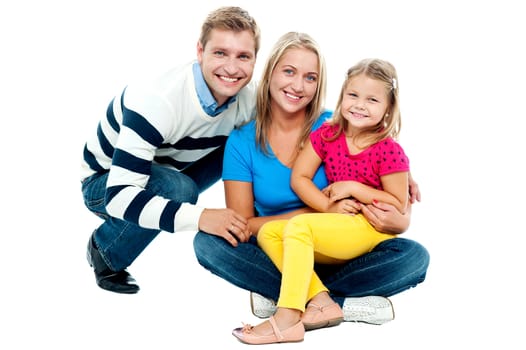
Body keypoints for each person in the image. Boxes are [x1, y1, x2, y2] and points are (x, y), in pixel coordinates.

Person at [192, 33, 429, 344]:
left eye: (310, 77)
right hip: (278, 251)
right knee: (209, 244)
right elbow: (243, 226)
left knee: (413, 256)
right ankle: (332, 302)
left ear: (321, 84)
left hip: (345, 249)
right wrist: (324, 208)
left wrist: (399, 211)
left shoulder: (338, 124)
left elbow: (393, 199)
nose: (298, 85)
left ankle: (293, 300)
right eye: (289, 71)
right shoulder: (241, 142)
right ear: (271, 73)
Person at [80, 6, 258, 294]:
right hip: (106, 182)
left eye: (243, 56)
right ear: (200, 52)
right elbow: (119, 197)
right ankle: (105, 250)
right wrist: (202, 217)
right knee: (179, 190)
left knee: (247, 143)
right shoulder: (157, 99)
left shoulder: (247, 100)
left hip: (170, 168)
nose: (232, 68)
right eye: (220, 53)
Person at [238, 58, 411, 344]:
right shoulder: (329, 134)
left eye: (372, 100)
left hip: (367, 226)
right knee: (269, 232)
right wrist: (328, 205)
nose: (359, 105)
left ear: (388, 109)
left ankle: (287, 315)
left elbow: (398, 202)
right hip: (336, 222)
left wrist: (354, 188)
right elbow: (299, 178)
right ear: (342, 96)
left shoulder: (389, 151)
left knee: (299, 227)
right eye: (353, 95)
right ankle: (321, 301)